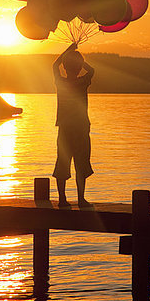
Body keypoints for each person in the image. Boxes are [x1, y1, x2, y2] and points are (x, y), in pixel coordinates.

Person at [52, 42, 94, 208]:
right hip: (81, 129)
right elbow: (92, 71)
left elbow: (55, 65)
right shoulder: (82, 82)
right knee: (81, 163)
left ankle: (62, 200)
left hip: (65, 128)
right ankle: (81, 199)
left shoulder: (60, 83)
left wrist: (68, 51)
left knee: (62, 162)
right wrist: (80, 60)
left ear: (66, 68)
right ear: (78, 69)